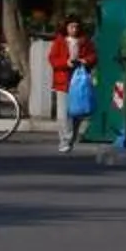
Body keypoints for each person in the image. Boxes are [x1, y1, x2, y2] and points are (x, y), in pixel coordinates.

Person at [48, 19, 97, 156]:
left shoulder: (84, 41)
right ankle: (65, 140)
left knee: (77, 112)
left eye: (76, 26)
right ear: (66, 27)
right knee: (63, 114)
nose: (74, 29)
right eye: (71, 26)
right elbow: (53, 59)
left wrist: (85, 61)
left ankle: (71, 137)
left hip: (79, 81)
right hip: (63, 81)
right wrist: (66, 63)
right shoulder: (60, 41)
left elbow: (93, 56)